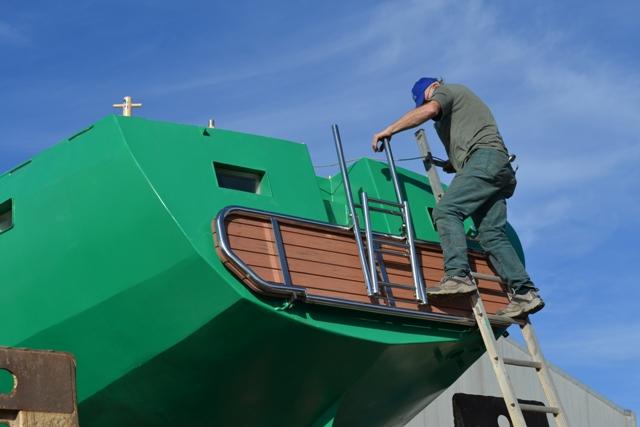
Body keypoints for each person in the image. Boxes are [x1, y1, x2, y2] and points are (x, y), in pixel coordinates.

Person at [371, 77, 543, 317]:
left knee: (446, 210)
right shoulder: (456, 113)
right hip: (496, 167)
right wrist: (453, 163)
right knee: (491, 235)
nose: (427, 106)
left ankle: (457, 276)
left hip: (485, 161)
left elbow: (430, 110)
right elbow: (468, 139)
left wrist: (389, 130)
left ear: (432, 88)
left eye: (424, 101)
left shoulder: (446, 91)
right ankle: (525, 292)